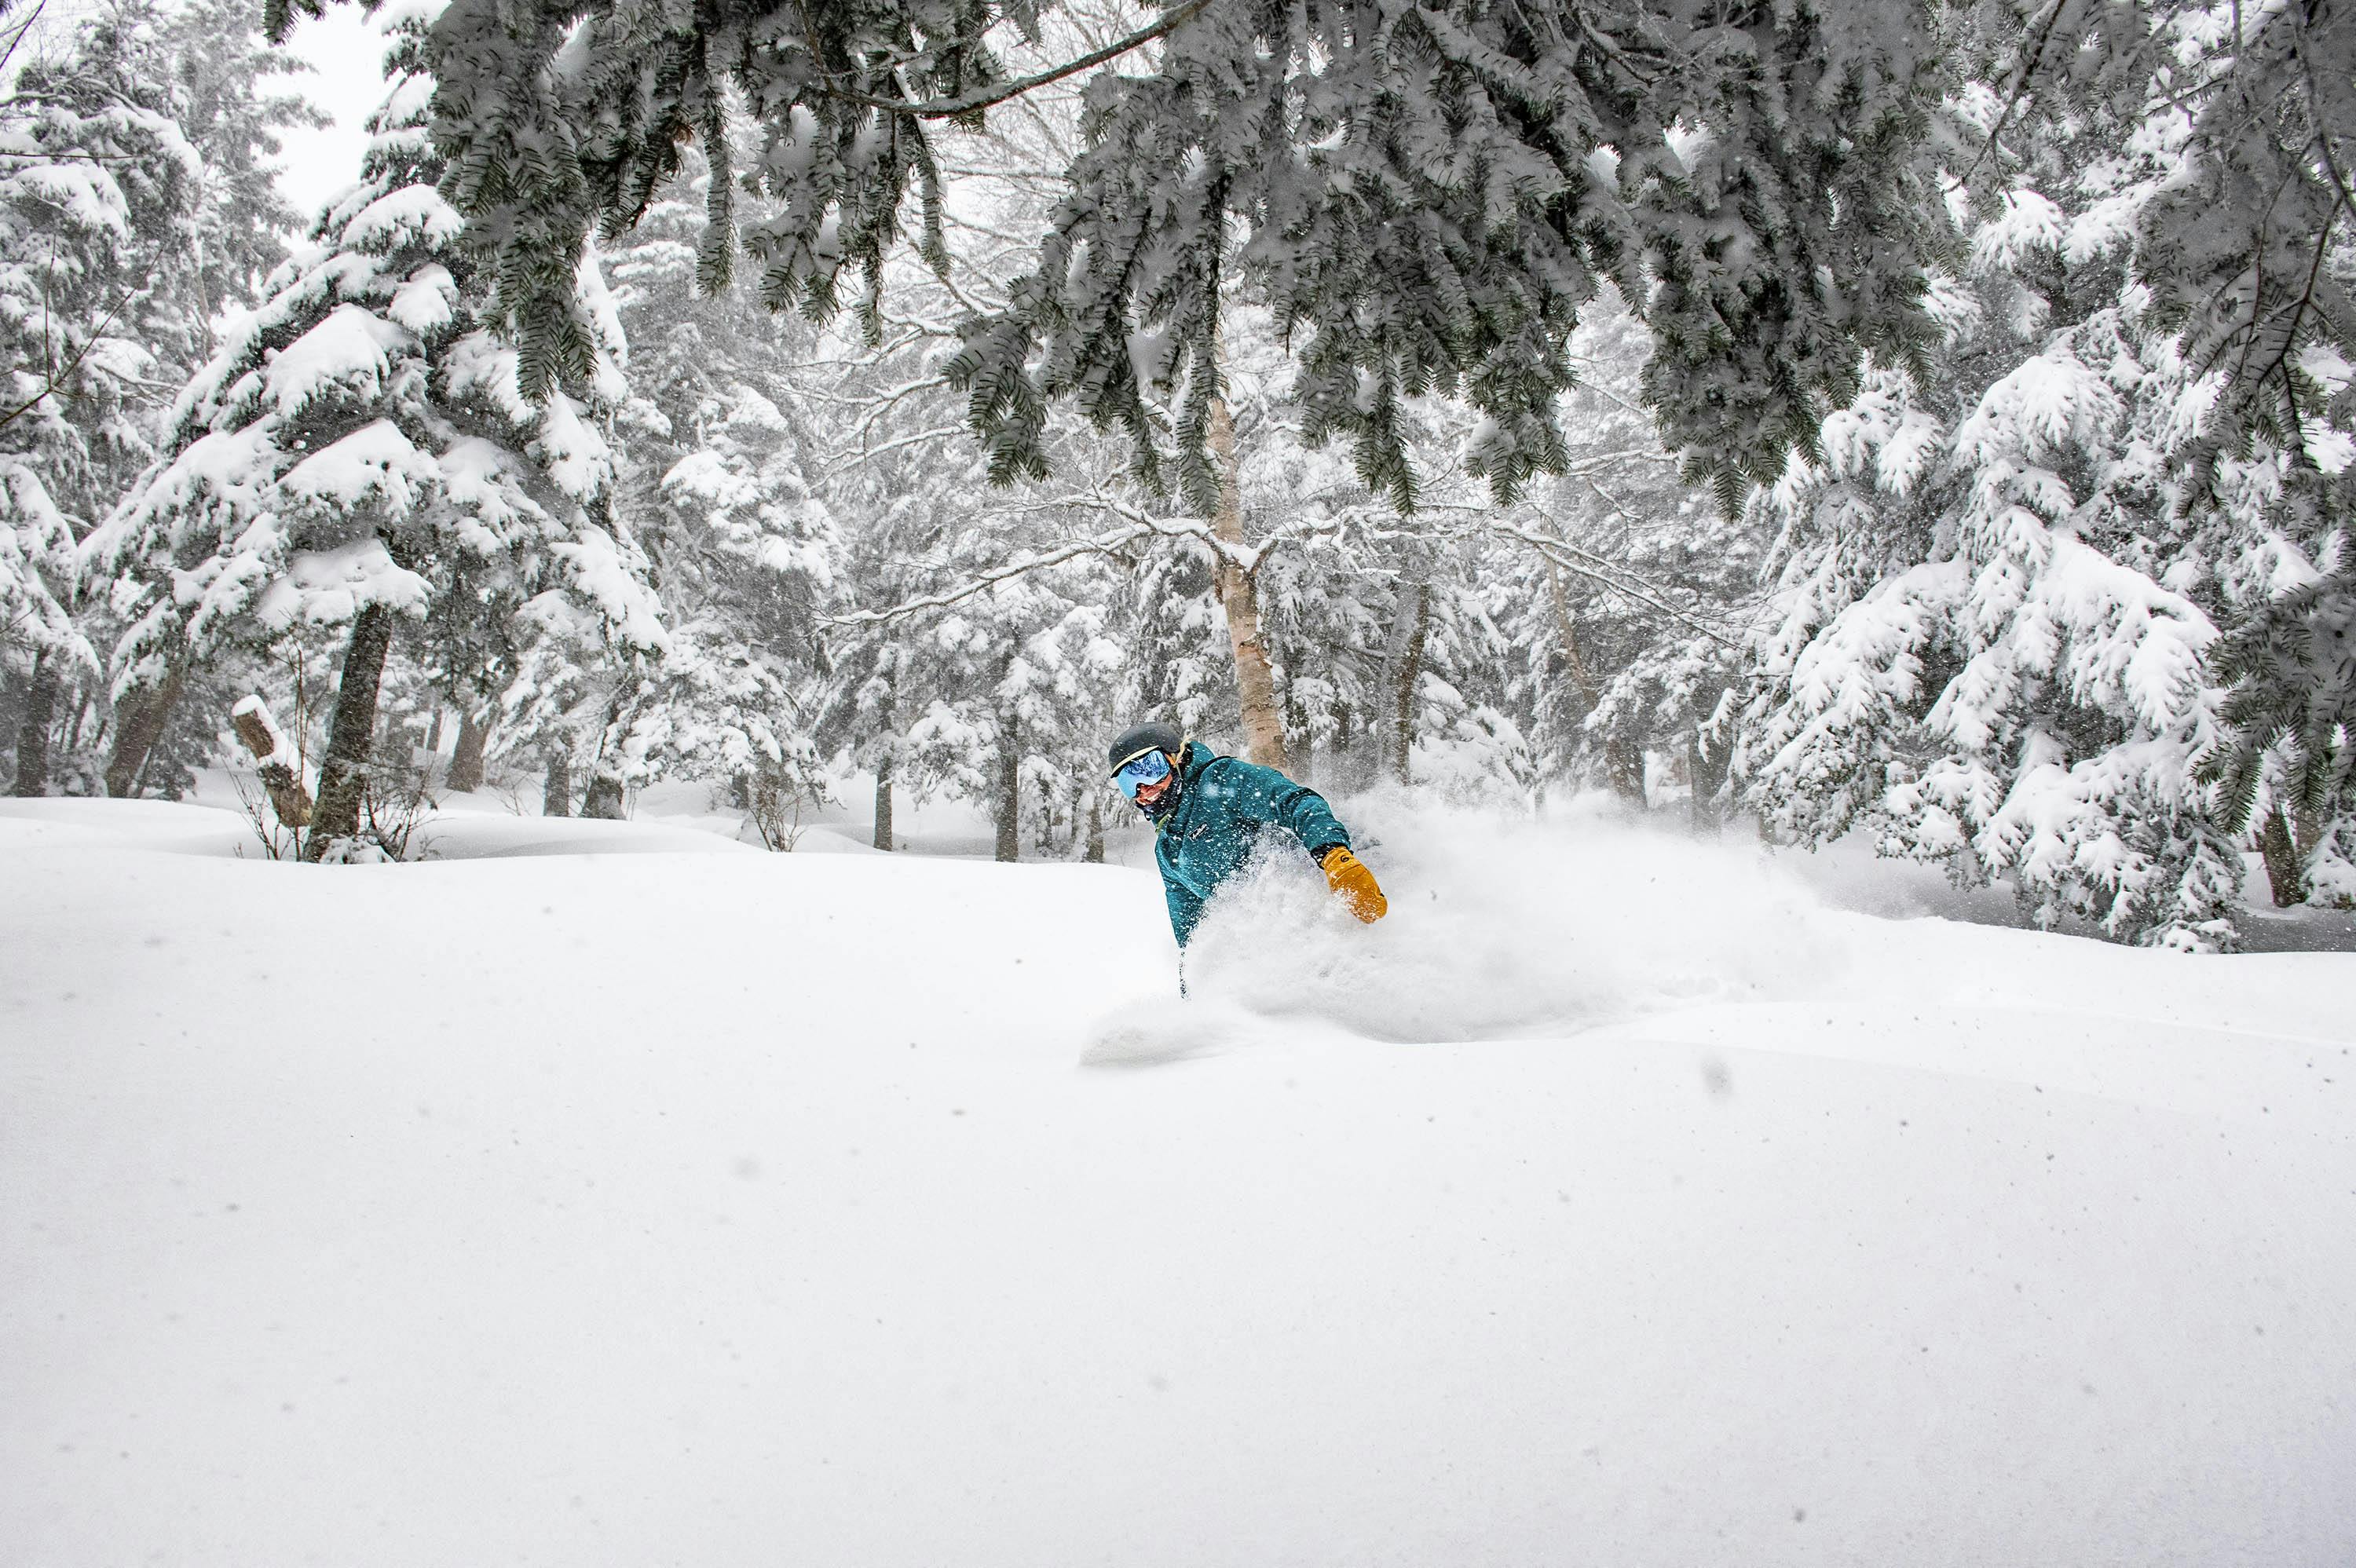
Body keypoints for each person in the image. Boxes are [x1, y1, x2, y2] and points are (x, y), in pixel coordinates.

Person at [1107, 720, 1387, 950]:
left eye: (1149, 769)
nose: (1144, 787)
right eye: (1128, 781)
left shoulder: (1221, 780)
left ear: (1175, 758)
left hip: (1327, 893)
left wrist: (1334, 856)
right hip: (1275, 944)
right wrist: (1194, 992)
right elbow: (1191, 937)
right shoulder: (1168, 852)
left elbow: (1294, 802)